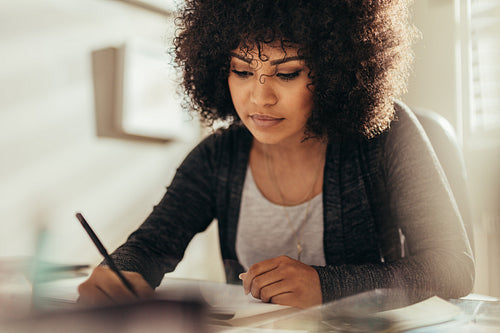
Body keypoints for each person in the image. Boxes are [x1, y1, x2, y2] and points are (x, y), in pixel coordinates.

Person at [78, 0, 475, 308]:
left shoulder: (387, 137)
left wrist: (326, 285)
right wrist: (121, 272)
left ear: (338, 69)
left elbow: (453, 268)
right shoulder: (217, 158)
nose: (260, 97)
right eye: (242, 70)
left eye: (287, 74)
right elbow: (152, 245)